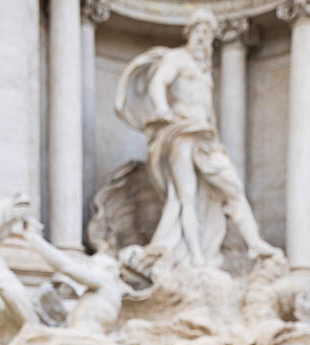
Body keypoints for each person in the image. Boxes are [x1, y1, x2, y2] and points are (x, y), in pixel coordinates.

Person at [115, 7, 274, 268]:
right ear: (190, 32)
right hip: (180, 133)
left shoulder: (205, 72)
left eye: (209, 33)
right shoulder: (177, 59)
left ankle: (255, 244)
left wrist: (216, 139)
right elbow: (158, 83)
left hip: (205, 136)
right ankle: (197, 257)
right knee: (185, 196)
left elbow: (208, 109)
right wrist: (163, 109)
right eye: (200, 31)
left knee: (232, 188)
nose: (204, 37)